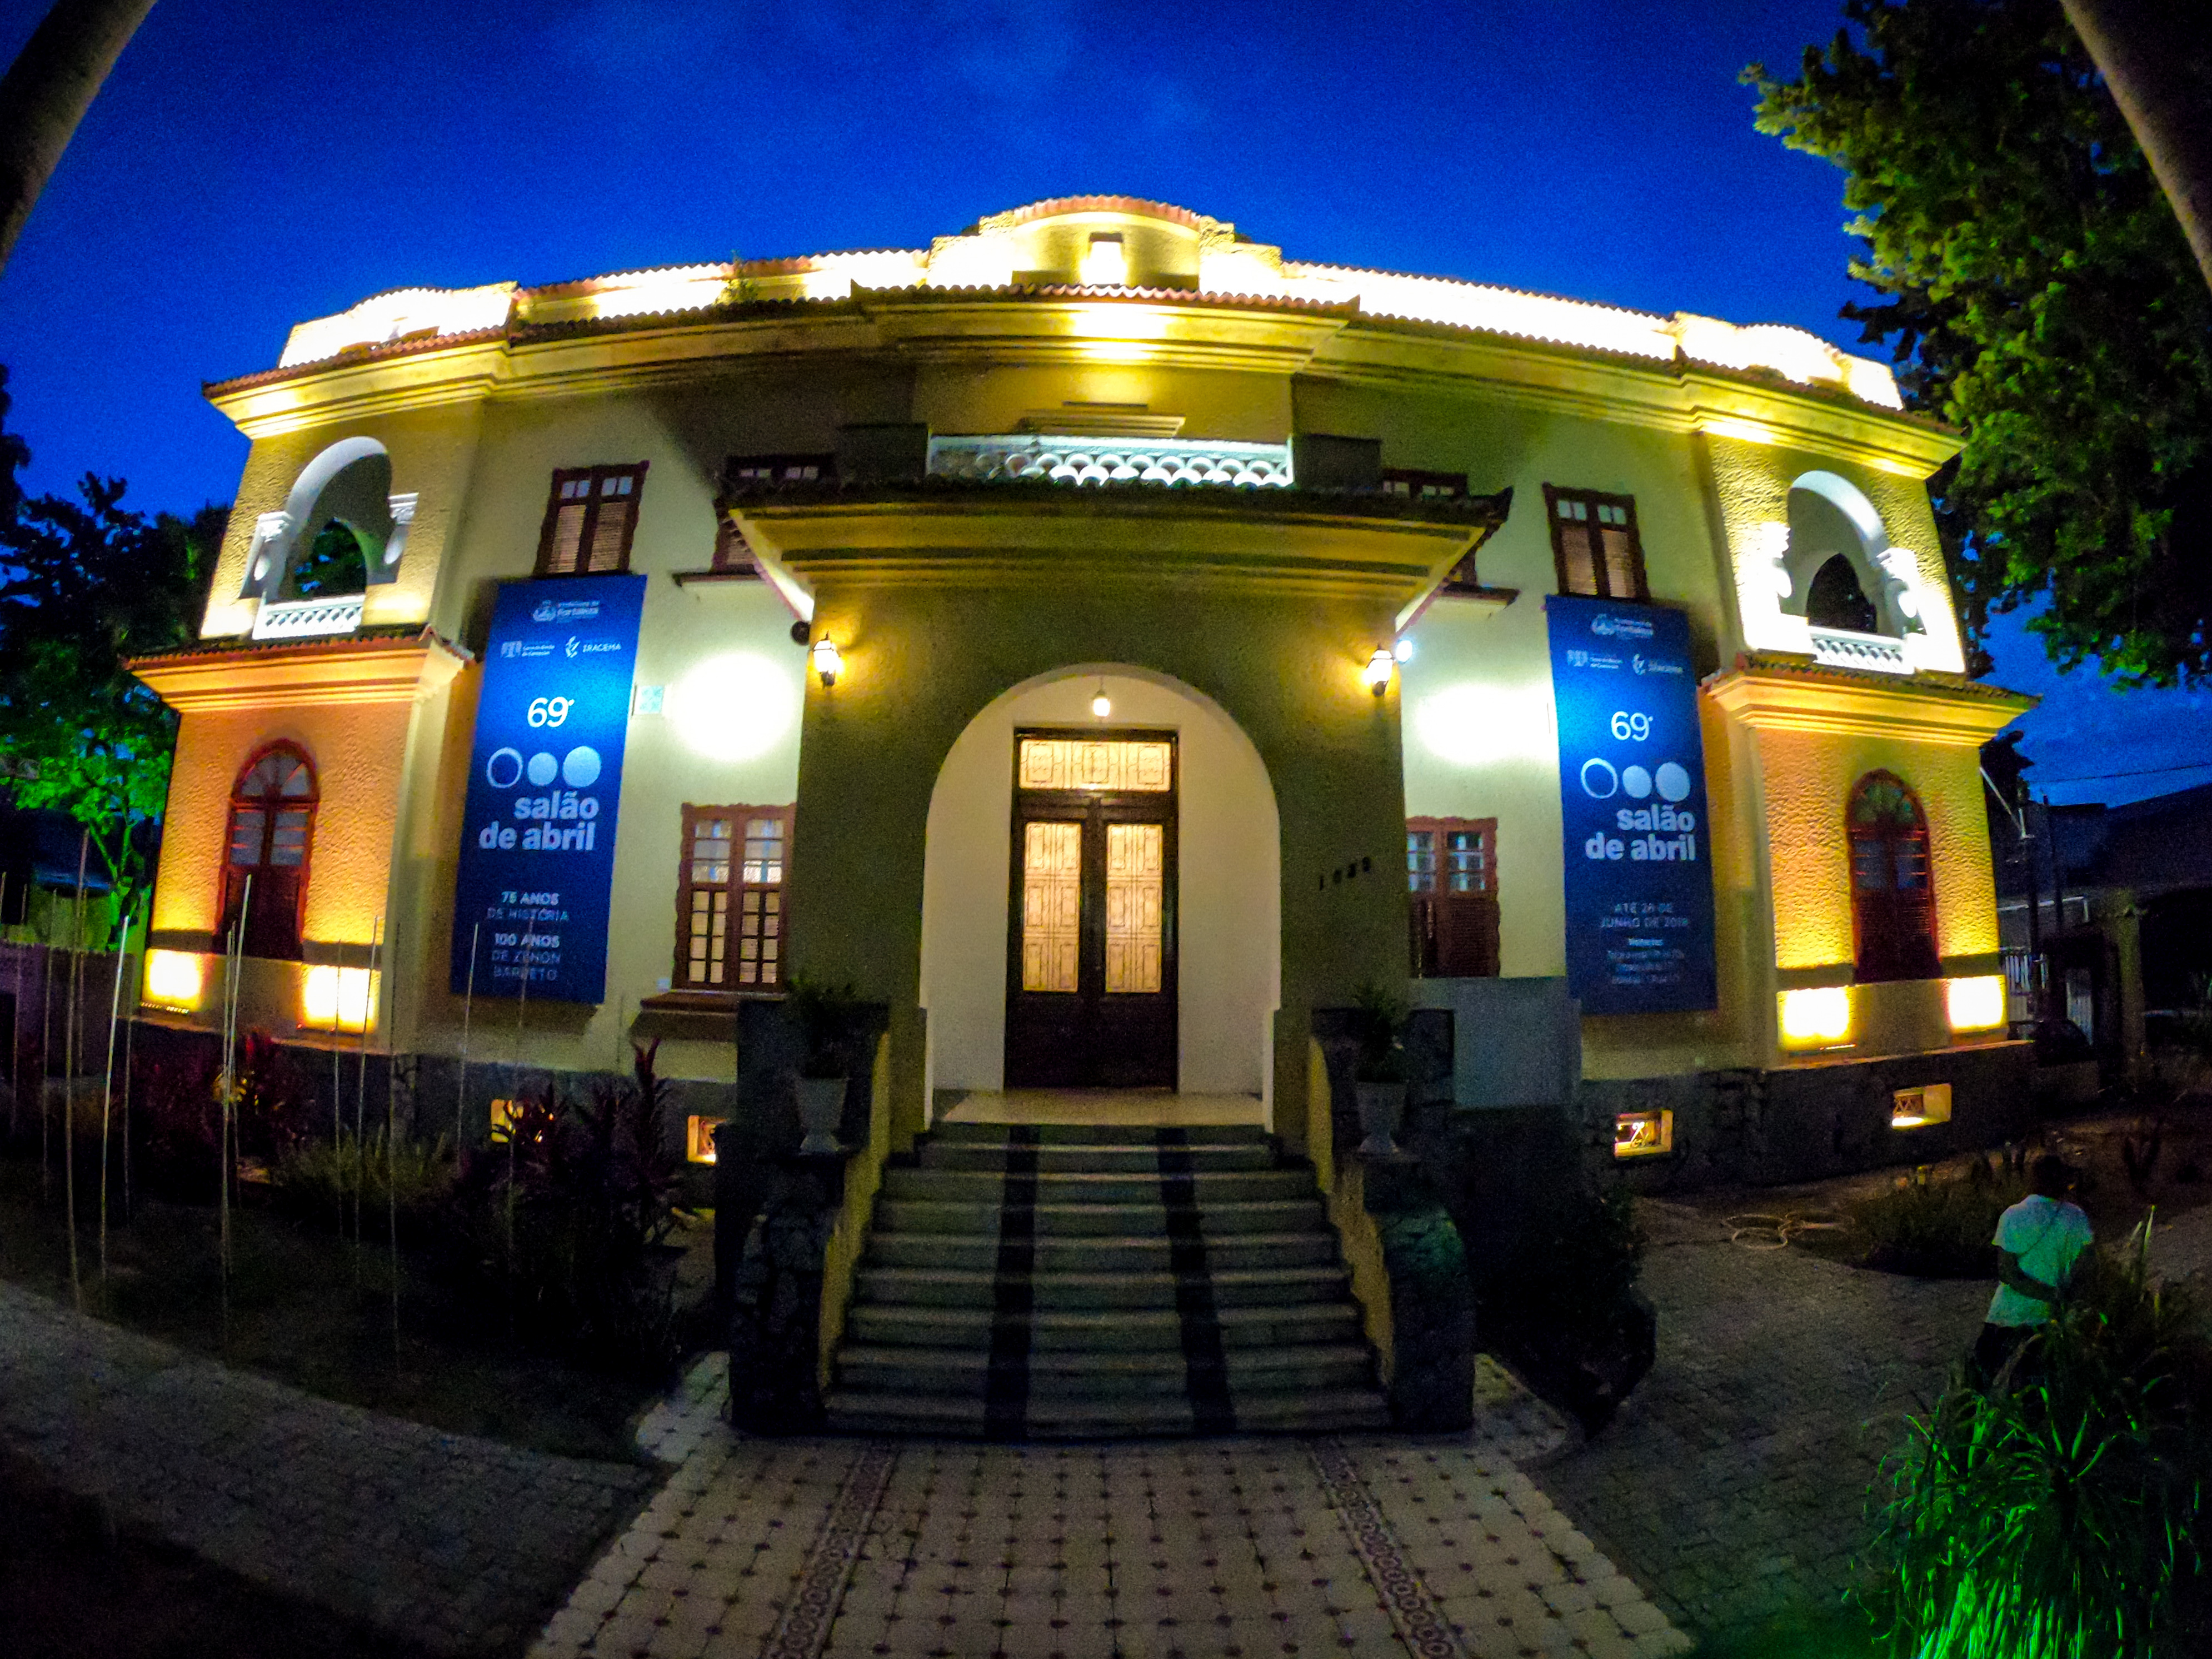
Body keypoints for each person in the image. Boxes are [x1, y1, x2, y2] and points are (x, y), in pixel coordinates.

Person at [1972, 1153, 2094, 1387]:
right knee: (2036, 1385)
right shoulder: (2076, 1217)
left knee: (1982, 1376)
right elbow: (2088, 1265)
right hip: (2052, 1318)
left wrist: (2047, 1294)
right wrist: (2064, 1297)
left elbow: (2007, 1272)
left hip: (2009, 1314)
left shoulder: (2013, 1215)